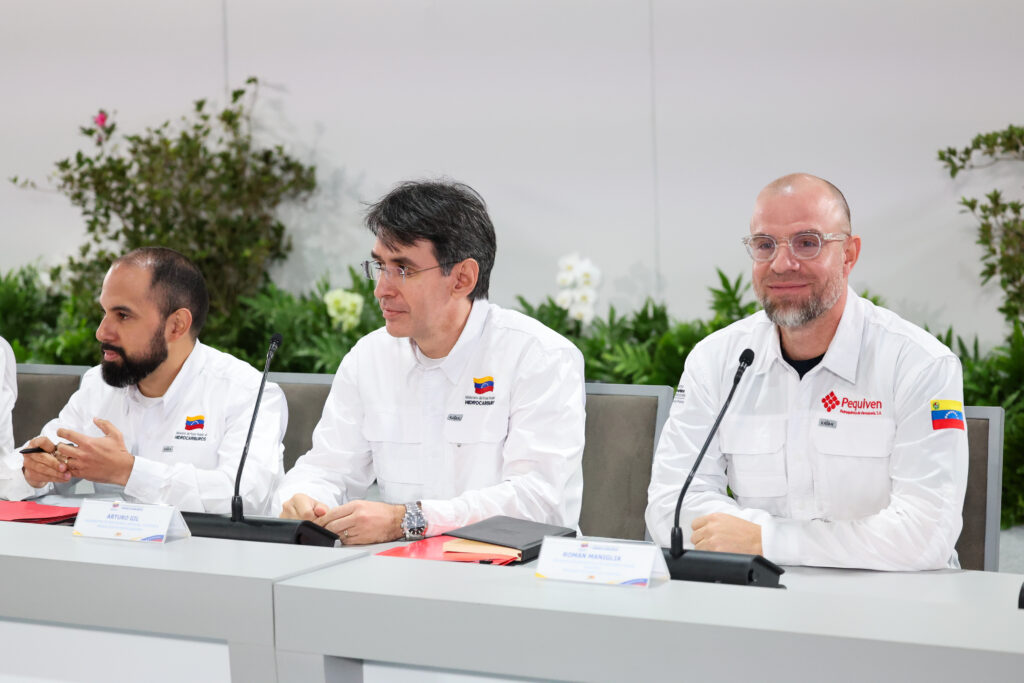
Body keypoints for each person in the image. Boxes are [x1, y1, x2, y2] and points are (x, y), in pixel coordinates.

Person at [645, 173, 968, 570]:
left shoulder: (919, 365)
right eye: (765, 245)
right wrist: (761, 544)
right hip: (756, 594)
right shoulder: (717, 360)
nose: (782, 264)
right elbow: (670, 505)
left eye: (807, 242)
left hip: (891, 599)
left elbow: (924, 535)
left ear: (849, 254)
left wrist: (765, 540)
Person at [276, 180, 585, 544]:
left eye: (403, 270)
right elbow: (327, 468)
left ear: (462, 278)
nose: (381, 289)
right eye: (380, 266)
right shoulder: (369, 357)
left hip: (516, 568)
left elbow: (538, 503)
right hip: (402, 567)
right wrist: (305, 500)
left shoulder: (539, 356)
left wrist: (410, 520)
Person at [0, 247, 286, 513]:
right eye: (104, 312)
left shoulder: (247, 393)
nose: (102, 332)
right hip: (105, 548)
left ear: (176, 325)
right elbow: (17, 469)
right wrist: (34, 472)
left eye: (123, 315)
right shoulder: (98, 385)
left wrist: (128, 472)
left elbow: (243, 498)